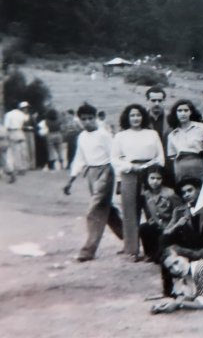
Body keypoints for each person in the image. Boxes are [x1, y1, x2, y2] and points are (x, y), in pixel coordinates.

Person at [62, 103, 123, 262]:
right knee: (107, 210)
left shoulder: (104, 134)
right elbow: (79, 158)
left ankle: (88, 250)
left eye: (90, 118)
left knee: (94, 210)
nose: (87, 122)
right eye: (84, 119)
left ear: (95, 118)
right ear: (80, 120)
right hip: (91, 173)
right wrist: (71, 179)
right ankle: (130, 237)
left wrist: (119, 180)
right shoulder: (81, 136)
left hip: (105, 171)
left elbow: (114, 156)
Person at [111, 104, 166, 260]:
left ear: (143, 116)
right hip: (129, 174)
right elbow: (114, 159)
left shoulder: (152, 134)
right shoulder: (120, 136)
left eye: (138, 115)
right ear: (127, 118)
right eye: (132, 115)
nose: (136, 118)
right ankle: (131, 249)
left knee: (153, 210)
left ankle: (154, 250)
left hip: (150, 174)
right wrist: (130, 166)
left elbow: (160, 158)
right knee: (130, 212)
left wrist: (146, 167)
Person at [139, 166, 184, 262]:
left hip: (171, 225)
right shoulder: (147, 194)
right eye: (152, 178)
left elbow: (179, 211)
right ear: (147, 179)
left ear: (163, 179)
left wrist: (170, 227)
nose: (155, 181)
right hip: (158, 224)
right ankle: (150, 253)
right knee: (143, 228)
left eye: (158, 178)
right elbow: (150, 212)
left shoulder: (170, 193)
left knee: (162, 255)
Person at [166, 99, 203, 182]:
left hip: (200, 166)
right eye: (179, 111)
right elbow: (172, 156)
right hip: (181, 168)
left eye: (186, 110)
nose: (183, 113)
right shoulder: (172, 134)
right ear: (175, 113)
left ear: (191, 112)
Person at [4, 101, 31, 176]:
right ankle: (23, 167)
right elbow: (25, 122)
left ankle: (15, 168)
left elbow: (6, 126)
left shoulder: (8, 114)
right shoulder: (21, 114)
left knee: (13, 151)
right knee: (22, 150)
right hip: (20, 132)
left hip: (12, 132)